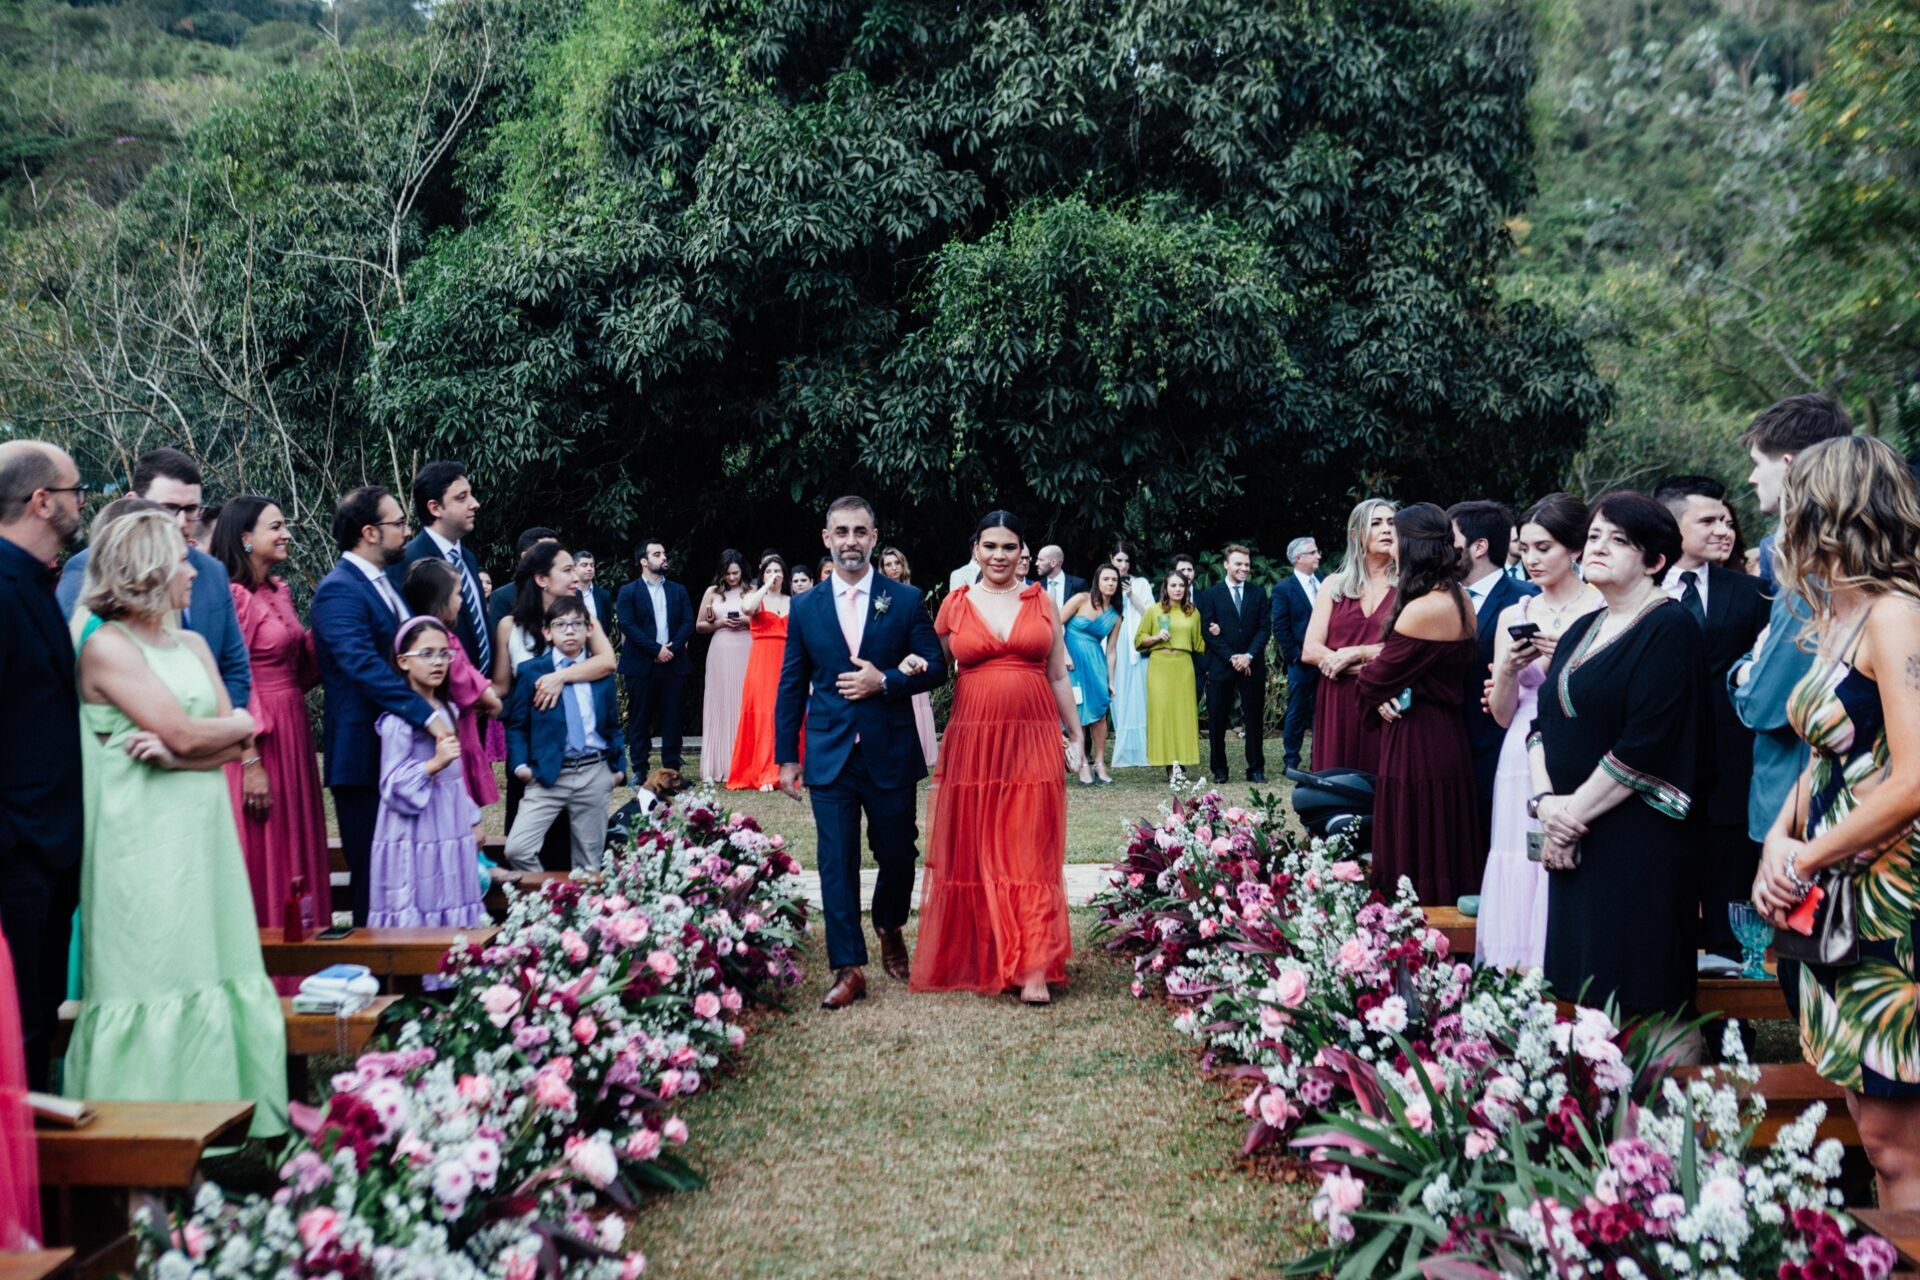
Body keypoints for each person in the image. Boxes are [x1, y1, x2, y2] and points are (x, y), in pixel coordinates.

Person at [65, 510, 286, 1136]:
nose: (194, 568)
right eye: (182, 558)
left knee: (209, 960)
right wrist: (231, 730)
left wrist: (197, 744)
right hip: (138, 838)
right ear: (147, 569)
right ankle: (141, 1150)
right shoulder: (106, 645)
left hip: (201, 828)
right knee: (152, 968)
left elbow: (209, 741)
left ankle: (206, 1137)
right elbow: (199, 729)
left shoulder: (189, 644)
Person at [1749, 436, 1920, 1207]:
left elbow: (1916, 778)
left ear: (1826, 510)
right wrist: (1778, 845)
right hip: (1837, 887)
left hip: (1891, 902)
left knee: (1897, 1144)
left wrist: (1808, 857)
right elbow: (1824, 756)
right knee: (1869, 1120)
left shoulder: (1897, 616)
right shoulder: (1836, 616)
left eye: (1794, 501)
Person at [1531, 493, 1706, 1051]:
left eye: (1619, 540)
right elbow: (1543, 727)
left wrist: (1570, 818)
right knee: (1584, 998)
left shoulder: (1670, 628)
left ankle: (1658, 1118)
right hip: (1574, 837)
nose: (1598, 546)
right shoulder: (1585, 625)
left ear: (1654, 561)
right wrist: (1545, 807)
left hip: (1635, 842)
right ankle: (1595, 1118)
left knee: (1641, 998)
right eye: (1597, 535)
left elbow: (1646, 743)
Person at [775, 496, 945, 1010]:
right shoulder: (806, 606)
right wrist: (787, 756)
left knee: (898, 853)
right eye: (841, 532)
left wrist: (886, 681)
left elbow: (935, 666)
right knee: (835, 860)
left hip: (889, 748)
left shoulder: (907, 598)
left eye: (860, 531)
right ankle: (848, 966)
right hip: (829, 753)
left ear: (874, 537)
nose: (851, 540)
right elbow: (791, 683)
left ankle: (890, 926)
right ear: (826, 538)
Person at [913, 511, 1077, 1003]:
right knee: (980, 841)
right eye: (990, 546)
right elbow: (933, 667)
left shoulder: (1041, 601)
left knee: (1028, 843)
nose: (999, 555)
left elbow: (1057, 675)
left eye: (1009, 547)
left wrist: (1076, 734)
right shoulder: (955, 604)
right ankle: (984, 951)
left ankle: (1032, 966)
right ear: (975, 550)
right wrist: (901, 669)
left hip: (1033, 732)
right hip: (975, 738)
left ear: (1022, 552)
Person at [311, 486, 451, 924]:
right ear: (370, 532)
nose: (407, 532)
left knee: (407, 874)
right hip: (363, 756)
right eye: (398, 524)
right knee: (375, 879)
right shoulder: (338, 591)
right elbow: (362, 665)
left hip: (398, 755)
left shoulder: (388, 585)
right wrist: (426, 714)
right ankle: (375, 981)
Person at [1475, 494, 1601, 970]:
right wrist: (1507, 668)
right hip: (1518, 751)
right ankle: (1518, 967)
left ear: (1574, 549)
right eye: (1523, 548)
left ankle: (1571, 963)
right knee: (1519, 855)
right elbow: (1502, 715)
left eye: (1543, 547)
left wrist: (1564, 656)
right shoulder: (1516, 612)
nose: (1531, 559)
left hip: (1579, 748)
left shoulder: (1601, 607)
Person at [1731, 395, 1855, 875]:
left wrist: (1742, 673)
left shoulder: (1815, 571)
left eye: (1756, 464)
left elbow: (1763, 703)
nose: (1751, 479)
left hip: (1806, 814)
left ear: (1789, 464)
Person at [0, 442, 87, 1089]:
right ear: (41, 501)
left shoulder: (39, 581)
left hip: (51, 849)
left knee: (38, 1018)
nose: (82, 501)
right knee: (19, 1028)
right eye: (75, 489)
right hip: (18, 853)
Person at [209, 496, 331, 956]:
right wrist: (250, 759)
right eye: (275, 526)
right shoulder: (233, 596)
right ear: (245, 538)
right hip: (258, 739)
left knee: (300, 840)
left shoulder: (278, 590)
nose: (286, 534)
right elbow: (231, 678)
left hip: (294, 726)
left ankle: (310, 955)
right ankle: (270, 966)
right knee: (268, 847)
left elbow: (299, 669)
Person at [1654, 475, 1769, 961]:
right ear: (1671, 525)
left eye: (1726, 520)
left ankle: (1734, 1033)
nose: (1724, 529)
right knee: (1661, 919)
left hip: (1730, 779)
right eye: (1708, 520)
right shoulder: (1637, 592)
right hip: (1654, 776)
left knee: (1730, 915)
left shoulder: (1755, 594)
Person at [1356, 504, 1483, 906]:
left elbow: (1374, 679)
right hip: (1449, 736)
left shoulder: (1423, 608)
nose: (1390, 545)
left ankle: (1415, 939)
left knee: (1418, 841)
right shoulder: (1459, 597)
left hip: (1419, 743)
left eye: (1395, 537)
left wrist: (1372, 670)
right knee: (1444, 841)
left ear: (1412, 546)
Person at [58, 447, 250, 710]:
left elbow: (236, 669)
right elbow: (71, 670)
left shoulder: (211, 570)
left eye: (191, 509)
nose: (182, 522)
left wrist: (216, 733)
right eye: (169, 508)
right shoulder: (86, 569)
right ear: (134, 501)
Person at [491, 542, 616, 870]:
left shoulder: (583, 621)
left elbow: (607, 662)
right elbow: (502, 686)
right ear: (542, 579)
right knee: (525, 843)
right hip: (535, 752)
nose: (576, 575)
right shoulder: (510, 625)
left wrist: (560, 677)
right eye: (567, 570)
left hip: (583, 757)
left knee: (578, 848)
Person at [369, 616, 487, 926]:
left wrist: (472, 818)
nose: (437, 662)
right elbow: (392, 784)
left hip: (450, 822)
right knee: (424, 894)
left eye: (444, 653)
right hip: (415, 828)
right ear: (403, 661)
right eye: (427, 654)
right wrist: (433, 764)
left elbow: (456, 779)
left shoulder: (448, 709)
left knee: (452, 894)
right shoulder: (400, 720)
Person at [504, 597, 626, 872]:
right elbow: (517, 725)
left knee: (589, 862)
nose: (569, 631)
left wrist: (618, 770)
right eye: (560, 625)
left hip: (594, 771)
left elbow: (612, 724)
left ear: (588, 630)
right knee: (518, 848)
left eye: (576, 624)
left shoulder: (600, 673)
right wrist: (521, 766)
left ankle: (582, 910)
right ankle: (550, 899)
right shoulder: (531, 672)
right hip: (549, 776)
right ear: (547, 632)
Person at [1448, 500, 1540, 835]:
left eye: (1451, 540)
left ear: (1479, 547)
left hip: (1497, 744)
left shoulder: (1527, 599)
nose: (1444, 550)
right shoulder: (1438, 598)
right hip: (1445, 746)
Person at [1302, 499, 1397, 775]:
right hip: (1338, 699)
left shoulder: (1407, 584)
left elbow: (1408, 650)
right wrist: (1360, 662)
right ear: (1356, 534)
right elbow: (1310, 649)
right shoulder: (1334, 584)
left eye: (1392, 523)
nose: (1386, 529)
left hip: (1385, 695)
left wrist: (1355, 654)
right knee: (1337, 787)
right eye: (1376, 523)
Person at [401, 558, 503, 810]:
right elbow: (464, 681)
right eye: (458, 594)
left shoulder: (424, 635)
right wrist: (491, 699)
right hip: (456, 730)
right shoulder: (442, 640)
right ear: (440, 598)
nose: (462, 601)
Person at [391, 461, 490, 678]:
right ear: (434, 508)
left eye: (471, 495)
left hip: (485, 693)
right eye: (461, 497)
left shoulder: (469, 559)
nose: (475, 504)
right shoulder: (407, 562)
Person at [616, 537, 694, 778]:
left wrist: (671, 649)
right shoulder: (628, 591)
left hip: (673, 662)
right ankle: (640, 770)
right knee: (640, 719)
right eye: (658, 554)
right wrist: (655, 649)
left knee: (672, 719)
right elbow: (628, 625)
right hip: (641, 664)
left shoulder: (678, 590)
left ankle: (672, 771)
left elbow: (687, 622)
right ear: (643, 561)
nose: (664, 558)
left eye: (664, 554)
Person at [1198, 545, 1270, 784]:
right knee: (1217, 720)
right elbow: (1209, 632)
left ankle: (1256, 768)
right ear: (1226, 564)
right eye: (1238, 564)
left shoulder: (1258, 593)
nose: (1244, 568)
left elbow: (1264, 628)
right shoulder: (1210, 595)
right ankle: (1219, 769)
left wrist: (1248, 655)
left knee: (1254, 719)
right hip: (1222, 666)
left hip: (1252, 665)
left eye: (1247, 564)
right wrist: (1232, 657)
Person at [727, 555, 795, 790]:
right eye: (769, 571)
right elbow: (747, 608)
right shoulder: (754, 597)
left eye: (778, 571)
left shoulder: (792, 600)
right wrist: (765, 586)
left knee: (787, 714)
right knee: (764, 714)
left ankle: (791, 771)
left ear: (785, 575)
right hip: (762, 661)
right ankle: (766, 773)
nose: (774, 574)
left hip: (787, 660)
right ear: (762, 574)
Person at [1136, 569, 1205, 772]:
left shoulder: (1193, 612)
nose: (1177, 589)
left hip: (1183, 664)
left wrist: (1216, 633)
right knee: (1163, 711)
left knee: (1183, 712)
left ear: (1186, 588)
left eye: (1181, 585)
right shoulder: (1153, 611)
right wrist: (1156, 637)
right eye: (1173, 585)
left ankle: (1181, 761)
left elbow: (1199, 644)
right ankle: (1167, 762)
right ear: (1165, 588)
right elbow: (1139, 641)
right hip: (1159, 663)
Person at [1062, 563, 1123, 785]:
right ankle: (1081, 763)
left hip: (1095, 661)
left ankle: (1099, 762)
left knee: (1099, 711)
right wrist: (1065, 655)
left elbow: (1112, 650)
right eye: (1106, 579)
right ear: (1097, 580)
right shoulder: (1080, 600)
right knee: (1076, 712)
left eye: (1114, 580)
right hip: (1071, 663)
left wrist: (1111, 680)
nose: (1110, 583)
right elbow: (1054, 625)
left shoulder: (1116, 615)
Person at [879, 548, 939, 768]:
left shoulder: (913, 593)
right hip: (891, 652)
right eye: (888, 564)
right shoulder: (880, 595)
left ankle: (923, 750)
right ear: (882, 568)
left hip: (912, 650)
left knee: (919, 700)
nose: (893, 568)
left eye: (896, 563)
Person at [697, 549, 754, 784]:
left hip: (746, 648)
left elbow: (765, 622)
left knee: (744, 701)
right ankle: (719, 763)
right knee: (720, 703)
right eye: (728, 574)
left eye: (736, 573)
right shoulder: (712, 593)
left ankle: (745, 763)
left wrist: (746, 621)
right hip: (720, 650)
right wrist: (719, 622)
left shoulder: (751, 592)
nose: (732, 578)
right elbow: (700, 625)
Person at [1271, 536, 1323, 773]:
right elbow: (1281, 627)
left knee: (1322, 709)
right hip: (1300, 661)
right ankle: (1291, 760)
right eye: (1313, 552)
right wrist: (1295, 656)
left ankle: (1320, 757)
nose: (1318, 556)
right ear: (1297, 558)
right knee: (1297, 710)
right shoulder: (1284, 589)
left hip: (1325, 659)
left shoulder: (1324, 582)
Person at [1107, 540, 1157, 769]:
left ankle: (1144, 749)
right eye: (1119, 560)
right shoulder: (1106, 581)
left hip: (1136, 644)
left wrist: (1130, 595)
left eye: (1126, 561)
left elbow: (1150, 613)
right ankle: (1124, 748)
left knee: (1140, 694)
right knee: (1118, 693)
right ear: (1111, 560)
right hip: (1113, 643)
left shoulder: (1141, 583)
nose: (1123, 565)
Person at [485, 526, 560, 636]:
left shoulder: (567, 591)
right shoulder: (503, 597)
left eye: (557, 551)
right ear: (525, 556)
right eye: (547, 551)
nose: (555, 557)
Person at [574, 549, 614, 639]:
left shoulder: (603, 595)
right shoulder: (566, 594)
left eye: (592, 565)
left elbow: (607, 627)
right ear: (574, 568)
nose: (589, 568)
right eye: (584, 565)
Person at [1035, 545, 1086, 614]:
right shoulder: (1036, 586)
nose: (1036, 563)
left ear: (1053, 563)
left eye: (1041, 560)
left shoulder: (1078, 584)